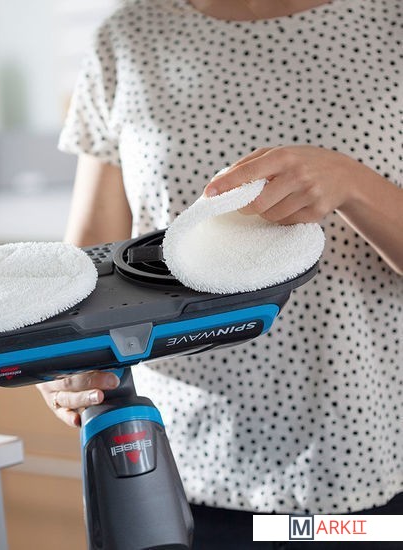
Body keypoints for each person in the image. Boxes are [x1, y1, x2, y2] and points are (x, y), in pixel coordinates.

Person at [37, 0, 403, 547]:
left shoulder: (390, 22)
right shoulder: (129, 37)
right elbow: (91, 267)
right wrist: (63, 363)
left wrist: (351, 183)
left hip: (355, 463)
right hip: (171, 461)